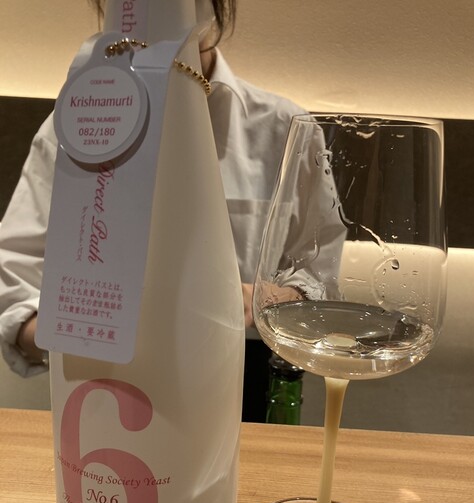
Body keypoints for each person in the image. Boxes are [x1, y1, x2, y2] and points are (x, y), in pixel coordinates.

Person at [0, 0, 307, 421]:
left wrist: (256, 299)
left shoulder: (282, 129)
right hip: (97, 384)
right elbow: (12, 279)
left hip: (242, 383)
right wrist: (77, 325)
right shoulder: (74, 127)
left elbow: (317, 280)